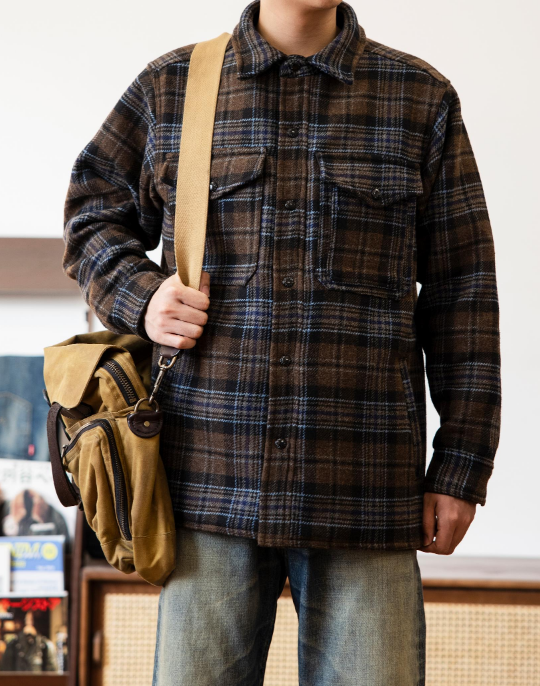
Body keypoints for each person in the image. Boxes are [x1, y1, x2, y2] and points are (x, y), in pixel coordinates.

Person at [62, 0, 501, 683]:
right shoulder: (173, 86)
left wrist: (461, 468)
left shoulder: (421, 98)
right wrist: (142, 299)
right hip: (207, 485)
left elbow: (463, 293)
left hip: (366, 488)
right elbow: (92, 217)